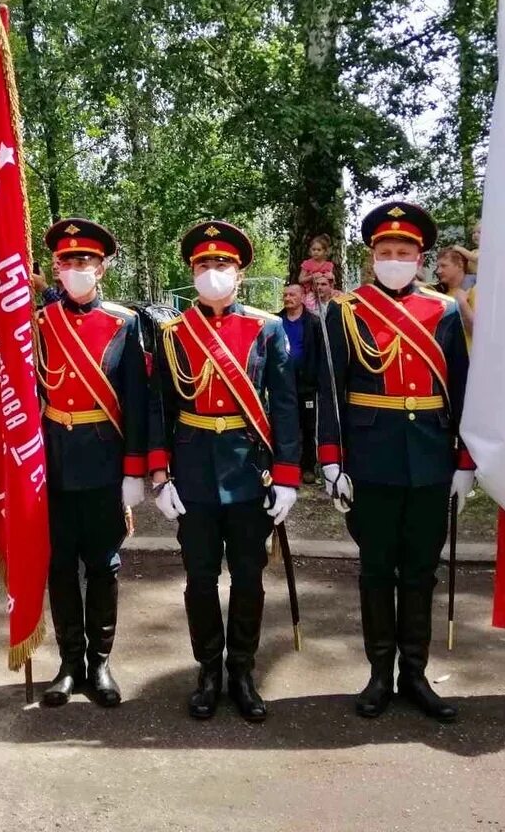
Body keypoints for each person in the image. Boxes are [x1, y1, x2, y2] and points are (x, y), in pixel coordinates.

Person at [317, 202, 473, 723]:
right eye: (385, 251)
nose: (394, 258)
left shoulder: (445, 311)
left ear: (421, 256)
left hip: (430, 458)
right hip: (371, 459)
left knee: (421, 572)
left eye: (403, 252)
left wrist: (465, 459)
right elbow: (331, 390)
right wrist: (332, 462)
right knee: (377, 571)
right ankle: (380, 673)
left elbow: (463, 389)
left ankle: (416, 674)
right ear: (372, 255)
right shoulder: (345, 310)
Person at [149, 221, 301, 723]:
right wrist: (159, 475)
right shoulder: (173, 334)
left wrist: (287, 476)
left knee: (250, 578)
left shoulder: (266, 328)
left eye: (222, 265)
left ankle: (242, 669)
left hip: (248, 471)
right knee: (199, 579)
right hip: (192, 473)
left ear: (240, 273)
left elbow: (284, 408)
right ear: (191, 273)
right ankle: (208, 670)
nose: (213, 273)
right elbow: (160, 409)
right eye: (204, 265)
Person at [35, 219, 148, 708]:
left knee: (103, 567)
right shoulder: (37, 324)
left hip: (104, 463)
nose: (76, 268)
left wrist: (134, 471)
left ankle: (99, 664)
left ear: (102, 267)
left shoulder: (125, 323)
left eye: (85, 260)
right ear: (56, 269)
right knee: (60, 568)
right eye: (67, 261)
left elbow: (139, 403)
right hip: (53, 466)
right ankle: (68, 664)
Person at [279, 282, 322, 484]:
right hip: (282, 383)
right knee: (284, 424)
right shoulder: (276, 321)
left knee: (308, 426)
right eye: (286, 295)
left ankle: (307, 467)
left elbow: (320, 355)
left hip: (306, 384)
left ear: (302, 296)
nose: (288, 298)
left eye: (292, 294)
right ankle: (286, 464)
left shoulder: (313, 323)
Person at [435, 245, 476, 337]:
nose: (438, 271)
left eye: (443, 266)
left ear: (460, 265)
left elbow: (479, 333)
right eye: (437, 267)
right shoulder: (438, 293)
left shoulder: (476, 291)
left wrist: (462, 304)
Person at [298, 234, 336, 307]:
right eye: (313, 249)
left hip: (326, 292)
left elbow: (331, 282)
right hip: (311, 292)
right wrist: (312, 277)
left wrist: (331, 276)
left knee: (336, 300)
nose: (316, 252)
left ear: (325, 251)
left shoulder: (328, 265)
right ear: (310, 250)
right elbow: (300, 279)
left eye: (319, 250)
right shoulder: (307, 264)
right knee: (310, 304)